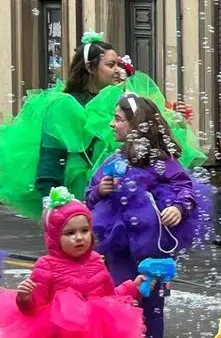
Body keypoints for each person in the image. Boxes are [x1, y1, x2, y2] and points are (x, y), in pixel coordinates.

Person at [0, 32, 203, 218]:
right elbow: (51, 155)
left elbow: (148, 136)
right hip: (80, 191)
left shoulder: (121, 100)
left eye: (118, 65)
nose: (117, 71)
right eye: (110, 65)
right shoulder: (64, 105)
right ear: (89, 67)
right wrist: (49, 202)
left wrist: (174, 117)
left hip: (120, 192)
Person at [0, 187, 155, 338]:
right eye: (69, 233)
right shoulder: (46, 266)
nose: (79, 237)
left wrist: (132, 287)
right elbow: (33, 309)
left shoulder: (96, 261)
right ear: (53, 237)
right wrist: (25, 298)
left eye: (84, 230)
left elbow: (109, 298)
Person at [86, 94, 210, 338]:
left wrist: (179, 207)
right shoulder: (113, 161)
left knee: (151, 305)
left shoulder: (162, 162)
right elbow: (89, 197)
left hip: (151, 248)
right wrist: (100, 190)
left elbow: (185, 188)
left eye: (119, 118)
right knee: (118, 304)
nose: (112, 124)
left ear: (137, 125)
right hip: (117, 247)